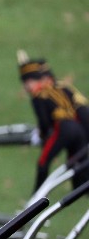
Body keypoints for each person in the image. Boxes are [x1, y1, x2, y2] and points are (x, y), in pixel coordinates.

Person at [20, 56, 89, 190]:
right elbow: (82, 109)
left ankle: (36, 197)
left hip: (64, 128)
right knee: (78, 165)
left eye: (27, 81)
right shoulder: (63, 86)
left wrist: (43, 138)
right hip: (80, 130)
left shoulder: (38, 96)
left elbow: (45, 124)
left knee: (43, 162)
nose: (26, 86)